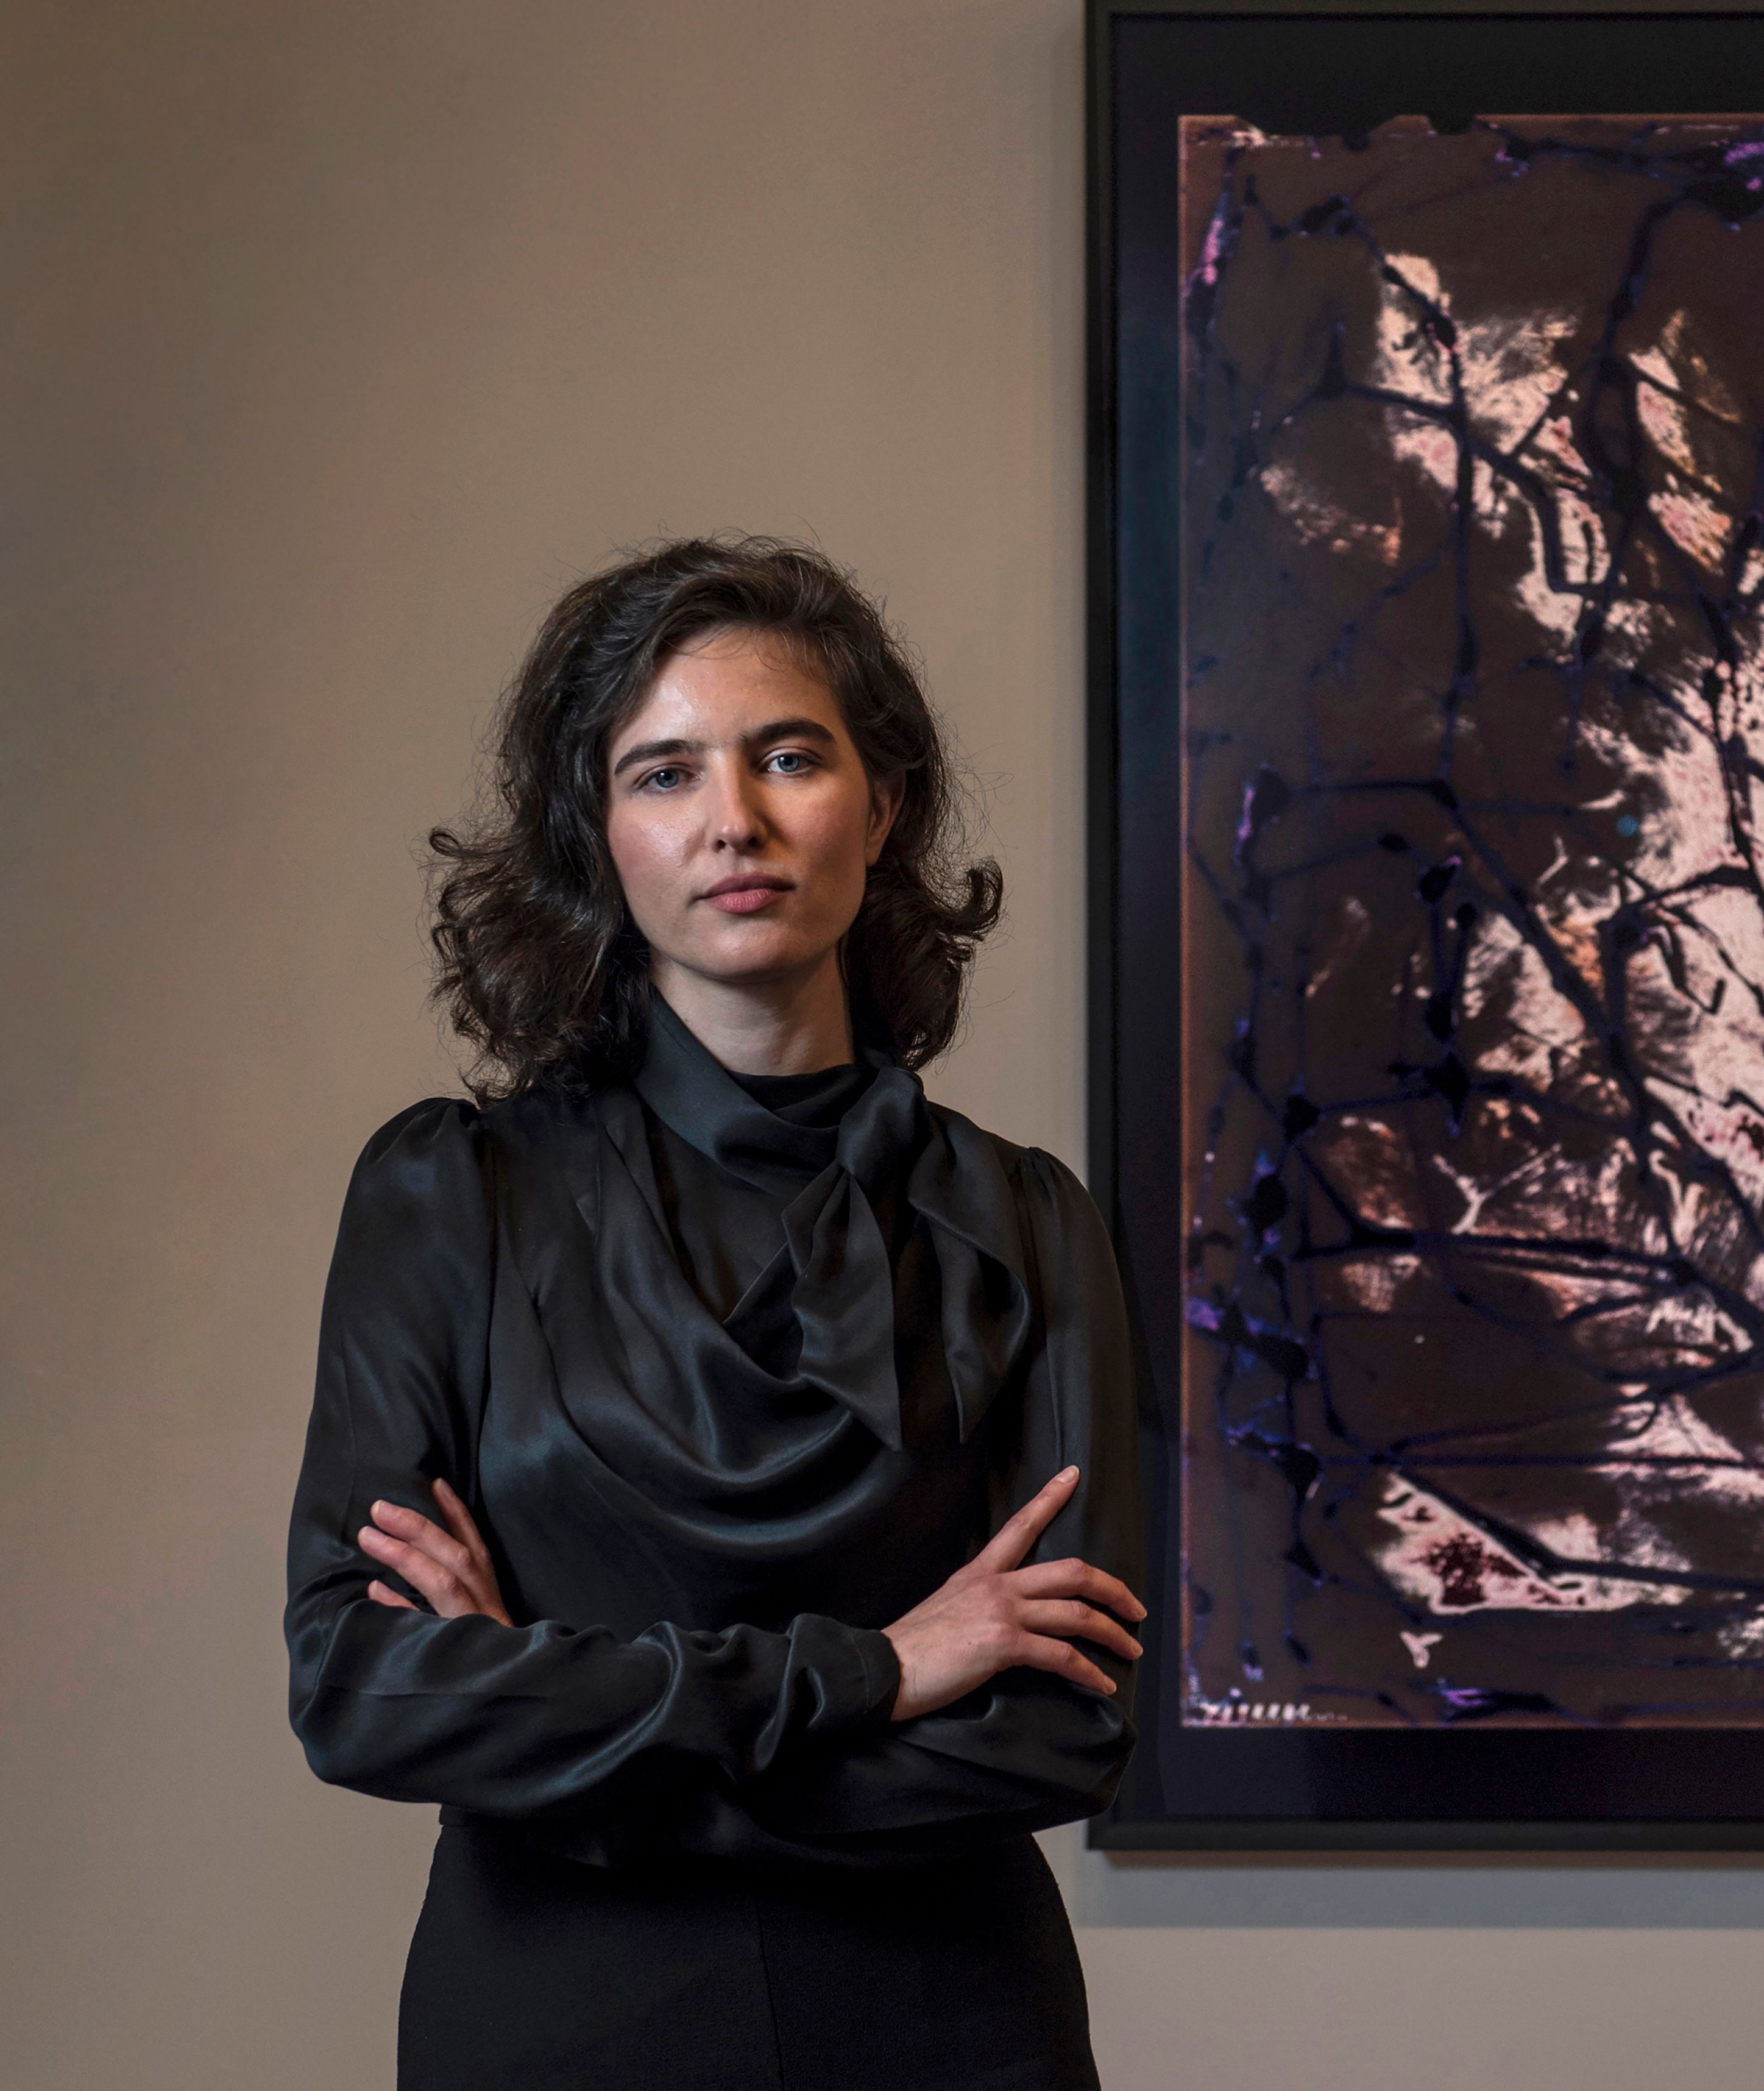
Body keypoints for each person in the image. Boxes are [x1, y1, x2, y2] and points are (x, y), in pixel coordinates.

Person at [282, 537, 1147, 2089]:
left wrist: (568, 1747)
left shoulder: (1026, 1219)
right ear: (597, 835)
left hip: (945, 2028)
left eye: (788, 757)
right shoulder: (450, 1195)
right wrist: (879, 1667)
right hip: (557, 2024)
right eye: (663, 773)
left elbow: (1058, 1734)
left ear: (880, 809)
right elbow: (364, 1688)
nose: (732, 821)